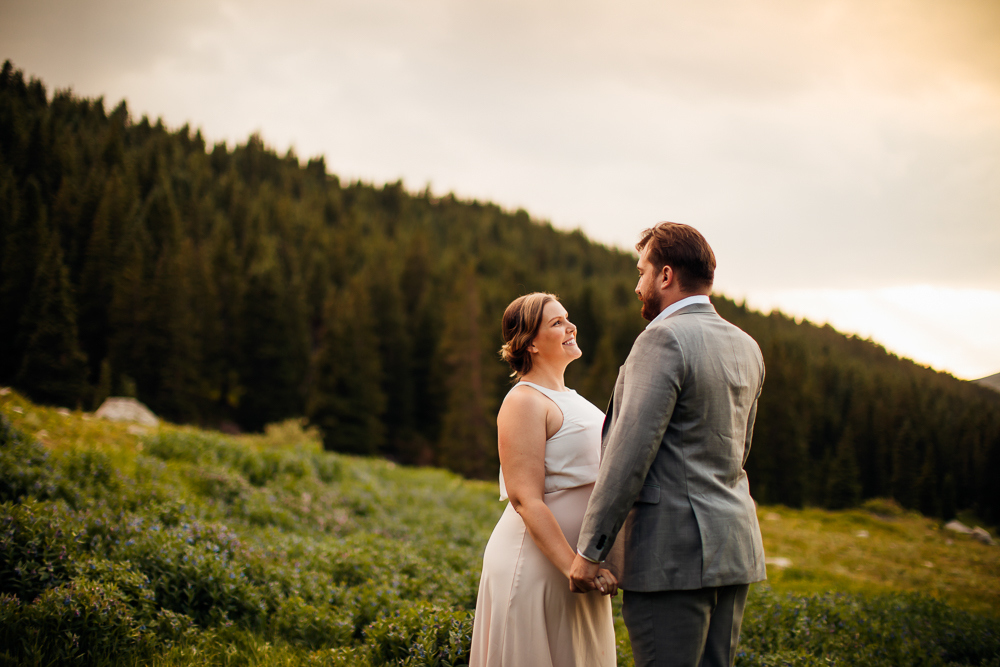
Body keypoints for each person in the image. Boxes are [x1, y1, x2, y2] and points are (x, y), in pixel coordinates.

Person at [568, 222, 766, 667]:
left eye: (641, 272)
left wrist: (590, 551)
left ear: (666, 275)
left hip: (670, 559)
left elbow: (628, 455)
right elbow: (739, 449)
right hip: (733, 549)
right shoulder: (746, 346)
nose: (638, 285)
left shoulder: (663, 338)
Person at [470, 292, 618, 667]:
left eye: (567, 318)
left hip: (578, 563)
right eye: (556, 323)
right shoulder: (524, 401)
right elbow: (525, 499)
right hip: (539, 564)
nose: (570, 327)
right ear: (531, 343)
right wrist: (572, 564)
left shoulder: (574, 399)